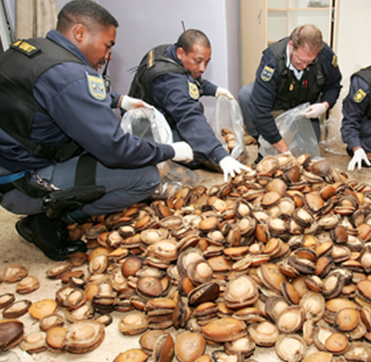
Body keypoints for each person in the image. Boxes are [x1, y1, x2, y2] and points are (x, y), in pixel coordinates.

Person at [0, 0, 194, 261]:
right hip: (22, 184)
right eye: (107, 45)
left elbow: (53, 94)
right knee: (145, 176)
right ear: (79, 33)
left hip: (10, 163)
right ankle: (47, 219)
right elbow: (116, 149)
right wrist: (170, 150)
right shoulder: (72, 75)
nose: (108, 55)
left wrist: (117, 100)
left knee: (95, 135)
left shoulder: (33, 48)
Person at [128, 29, 248, 180]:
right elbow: (190, 117)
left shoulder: (166, 52)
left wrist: (214, 90)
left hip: (154, 114)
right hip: (146, 130)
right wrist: (220, 155)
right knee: (196, 152)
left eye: (207, 62)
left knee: (198, 121)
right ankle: (160, 158)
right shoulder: (169, 81)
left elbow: (188, 78)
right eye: (198, 61)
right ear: (180, 53)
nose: (203, 68)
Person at [238, 24, 342, 158]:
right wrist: (284, 149)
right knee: (246, 95)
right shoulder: (273, 59)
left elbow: (334, 85)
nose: (304, 66)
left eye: (310, 62)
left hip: (307, 103)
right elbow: (261, 110)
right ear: (291, 45)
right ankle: (259, 138)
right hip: (279, 98)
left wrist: (325, 105)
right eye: (300, 60)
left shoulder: (325, 55)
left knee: (309, 156)